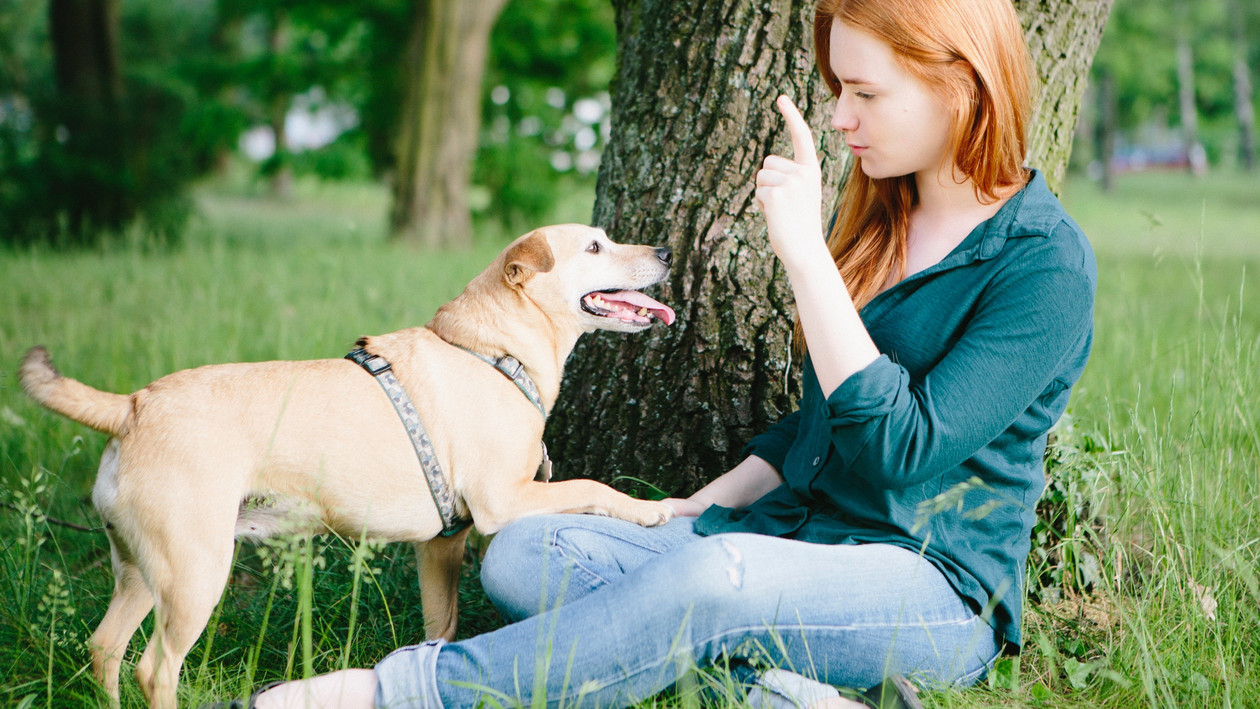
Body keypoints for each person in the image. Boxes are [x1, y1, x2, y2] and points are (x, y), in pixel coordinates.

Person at [211, 0, 1095, 706]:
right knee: (522, 551)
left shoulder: (1043, 264)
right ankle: (769, 687)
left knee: (715, 578)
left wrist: (807, 259)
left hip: (928, 588)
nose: (840, 116)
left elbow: (902, 454)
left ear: (958, 85)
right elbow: (819, 424)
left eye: (865, 94)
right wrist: (692, 508)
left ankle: (398, 691)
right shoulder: (885, 214)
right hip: (786, 536)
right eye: (837, 89)